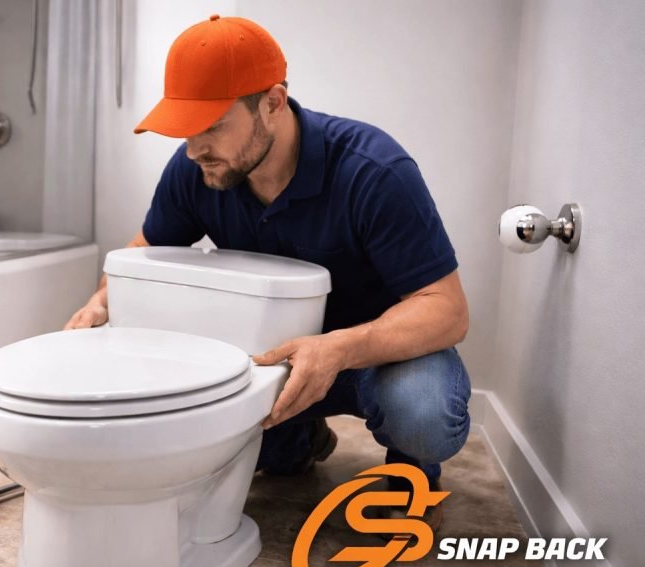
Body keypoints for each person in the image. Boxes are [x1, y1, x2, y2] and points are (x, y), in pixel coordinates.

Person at [64, 14, 470, 529]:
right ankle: (298, 438)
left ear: (272, 103)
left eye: (212, 126)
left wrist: (337, 349)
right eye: (186, 129)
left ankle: (412, 468)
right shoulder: (197, 168)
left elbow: (447, 311)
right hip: (267, 357)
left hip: (373, 357)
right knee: (255, 462)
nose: (193, 149)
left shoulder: (374, 172)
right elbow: (145, 253)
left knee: (424, 414)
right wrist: (102, 300)